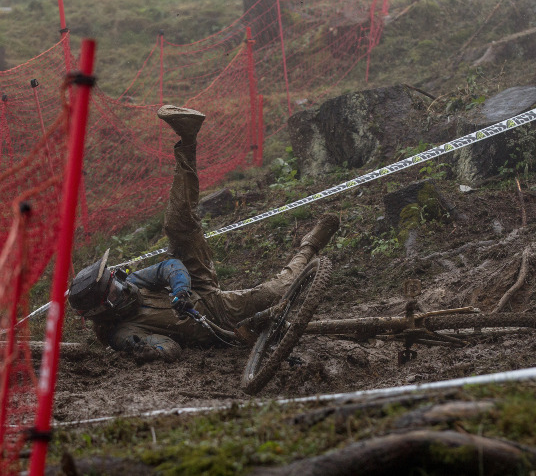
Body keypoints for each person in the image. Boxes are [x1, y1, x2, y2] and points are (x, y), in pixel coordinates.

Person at [67, 105, 340, 363]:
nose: (122, 290)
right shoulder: (120, 334)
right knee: (278, 290)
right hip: (217, 316)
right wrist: (146, 350)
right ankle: (309, 247)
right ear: (102, 311)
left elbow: (169, 266)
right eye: (114, 294)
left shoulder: (132, 283)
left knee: (178, 224)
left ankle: (187, 139)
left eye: (116, 283)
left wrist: (180, 292)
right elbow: (169, 348)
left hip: (193, 285)